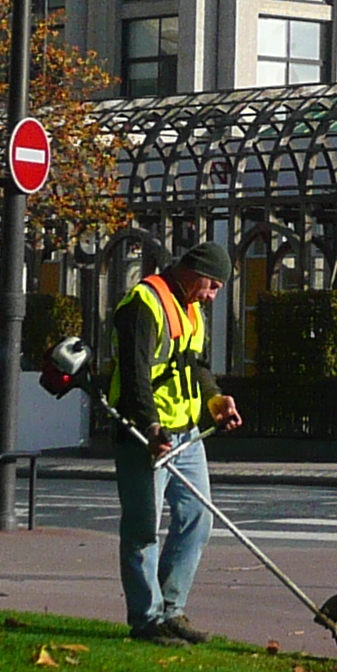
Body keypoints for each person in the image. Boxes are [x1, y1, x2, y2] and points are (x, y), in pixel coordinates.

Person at [110, 242, 243, 643]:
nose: (212, 295)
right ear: (194, 271)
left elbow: (194, 365)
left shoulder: (191, 309)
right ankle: (146, 620)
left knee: (197, 520)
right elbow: (135, 375)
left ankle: (172, 609)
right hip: (146, 437)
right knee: (142, 530)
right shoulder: (143, 303)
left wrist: (216, 399)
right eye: (212, 286)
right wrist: (149, 427)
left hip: (186, 435)